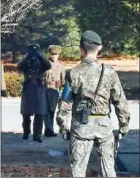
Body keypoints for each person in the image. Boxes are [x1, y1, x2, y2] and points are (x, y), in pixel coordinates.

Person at [56, 30, 130, 177]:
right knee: (108, 170)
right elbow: (120, 101)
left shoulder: (73, 73)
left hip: (81, 127)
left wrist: (63, 127)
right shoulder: (109, 72)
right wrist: (123, 127)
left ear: (80, 49)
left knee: (78, 170)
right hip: (104, 126)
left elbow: (65, 103)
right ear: (100, 48)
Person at [17, 44, 51, 143]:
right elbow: (19, 66)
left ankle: (37, 135)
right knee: (26, 113)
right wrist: (27, 56)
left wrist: (40, 56)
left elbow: (48, 65)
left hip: (39, 88)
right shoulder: (26, 62)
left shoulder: (41, 62)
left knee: (39, 113)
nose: (33, 54)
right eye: (32, 51)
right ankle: (26, 132)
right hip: (28, 88)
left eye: (35, 51)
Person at [44, 45, 65, 137]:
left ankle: (50, 129)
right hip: (45, 90)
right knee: (45, 111)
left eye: (55, 55)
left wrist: (62, 93)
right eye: (52, 54)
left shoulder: (61, 66)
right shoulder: (44, 64)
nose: (53, 56)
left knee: (52, 111)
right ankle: (48, 130)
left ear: (58, 55)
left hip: (55, 91)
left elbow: (63, 81)